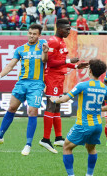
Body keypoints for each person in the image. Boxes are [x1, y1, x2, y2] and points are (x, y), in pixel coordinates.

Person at [0, 24, 49, 156]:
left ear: (39, 35)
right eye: (30, 33)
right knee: (11, 108)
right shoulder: (20, 49)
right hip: (22, 83)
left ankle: (28, 144)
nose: (32, 35)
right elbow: (10, 65)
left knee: (32, 112)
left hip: (36, 84)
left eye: (34, 34)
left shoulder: (43, 45)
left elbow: (45, 60)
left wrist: (45, 51)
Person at [50, 59, 107, 176]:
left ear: (89, 71)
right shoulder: (104, 88)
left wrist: (55, 100)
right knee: (91, 149)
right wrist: (98, 109)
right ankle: (89, 174)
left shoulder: (82, 85)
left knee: (66, 147)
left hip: (83, 124)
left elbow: (65, 99)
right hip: (97, 125)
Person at [39, 19, 88, 153]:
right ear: (59, 29)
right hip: (52, 77)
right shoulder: (53, 41)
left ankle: (58, 137)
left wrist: (76, 66)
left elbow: (61, 62)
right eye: (67, 29)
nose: (69, 31)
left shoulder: (61, 41)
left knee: (57, 106)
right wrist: (68, 60)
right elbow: (49, 62)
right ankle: (45, 139)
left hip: (59, 77)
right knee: (51, 105)